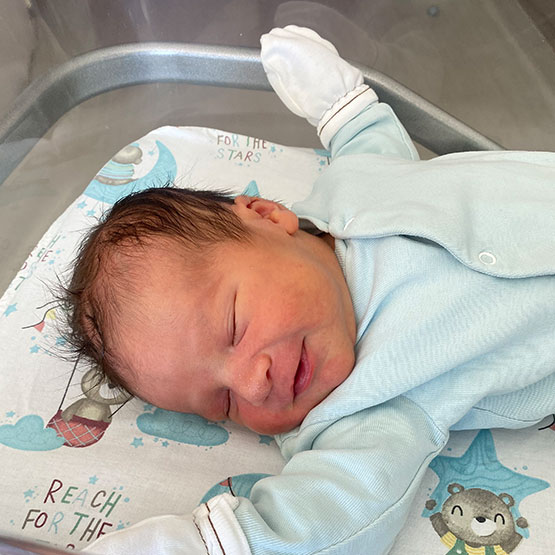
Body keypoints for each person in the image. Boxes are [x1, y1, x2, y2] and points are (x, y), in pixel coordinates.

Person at [78, 26, 555, 554]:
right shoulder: (359, 408)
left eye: (235, 327)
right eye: (223, 402)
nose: (253, 384)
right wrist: (218, 545)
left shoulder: (345, 193)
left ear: (268, 216)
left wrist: (340, 105)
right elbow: (335, 508)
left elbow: (372, 148)